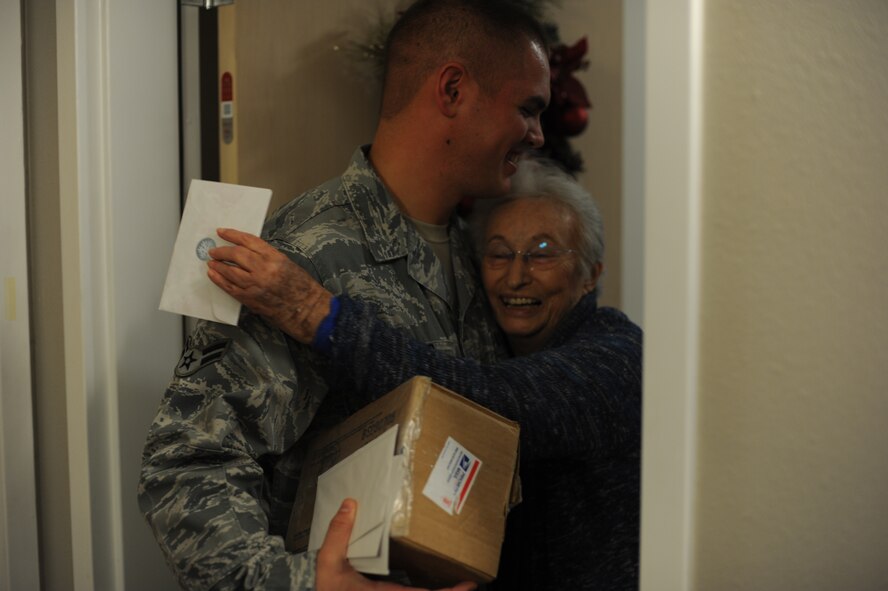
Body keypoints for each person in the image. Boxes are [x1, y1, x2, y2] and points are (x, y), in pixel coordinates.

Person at [138, 0, 550, 589]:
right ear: (454, 89)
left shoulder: (479, 255)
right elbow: (184, 465)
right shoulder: (305, 253)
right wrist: (305, 585)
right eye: (528, 108)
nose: (537, 135)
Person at [208, 158, 643, 591]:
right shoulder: (492, 339)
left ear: (591, 275)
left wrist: (318, 315)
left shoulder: (616, 354)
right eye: (499, 253)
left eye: (542, 254)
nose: (516, 276)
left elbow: (497, 406)